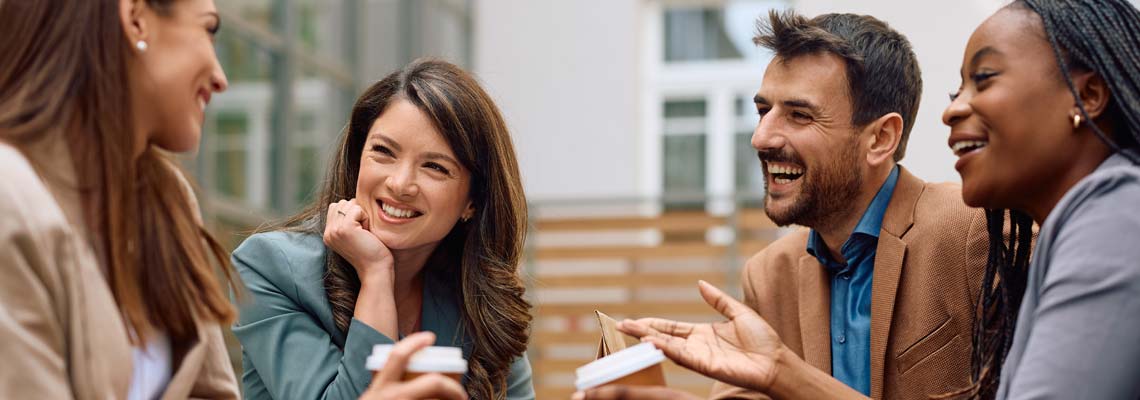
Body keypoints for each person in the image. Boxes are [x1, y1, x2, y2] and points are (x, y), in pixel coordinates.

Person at [576, 10, 989, 400]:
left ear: (880, 139)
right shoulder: (768, 277)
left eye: (799, 115)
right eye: (762, 110)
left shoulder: (977, 234)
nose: (761, 137)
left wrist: (786, 376)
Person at [231, 58, 535, 400]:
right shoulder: (269, 268)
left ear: (472, 201)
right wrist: (376, 273)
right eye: (383, 152)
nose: (400, 183)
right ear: (358, 157)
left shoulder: (480, 305)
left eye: (434, 167)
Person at [0, 0, 240, 398]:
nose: (220, 78)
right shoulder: (11, 198)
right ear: (136, 19)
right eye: (207, 29)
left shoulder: (170, 202)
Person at [942, 0, 1140, 398]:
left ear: (1087, 95)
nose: (952, 110)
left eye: (984, 78)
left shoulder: (1116, 216)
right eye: (958, 88)